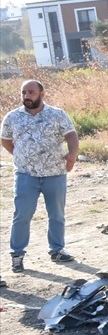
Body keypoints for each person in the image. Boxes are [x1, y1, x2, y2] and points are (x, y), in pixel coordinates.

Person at [1, 80, 79, 272]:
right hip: (26, 175)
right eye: (23, 93)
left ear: (42, 94)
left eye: (31, 92)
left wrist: (72, 155)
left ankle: (57, 250)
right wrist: (22, 156)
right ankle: (17, 255)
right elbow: (5, 140)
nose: (27, 96)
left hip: (55, 174)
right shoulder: (12, 117)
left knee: (57, 214)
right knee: (22, 215)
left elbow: (71, 136)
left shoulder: (57, 115)